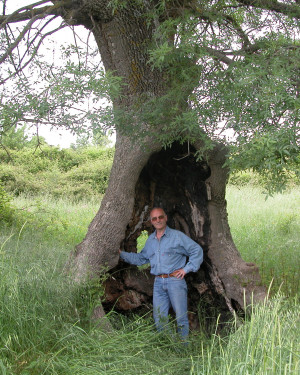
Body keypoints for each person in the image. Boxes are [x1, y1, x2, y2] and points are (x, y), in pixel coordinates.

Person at [119, 207, 203, 340]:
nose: (158, 220)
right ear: (151, 222)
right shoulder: (151, 240)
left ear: (166, 218)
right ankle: (171, 345)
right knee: (159, 319)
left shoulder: (177, 236)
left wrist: (186, 269)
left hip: (175, 281)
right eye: (154, 218)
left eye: (160, 217)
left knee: (181, 317)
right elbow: (141, 258)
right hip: (158, 283)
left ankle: (184, 349)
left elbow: (196, 250)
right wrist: (121, 254)